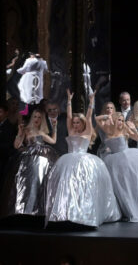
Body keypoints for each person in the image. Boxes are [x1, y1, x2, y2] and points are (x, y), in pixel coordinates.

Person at [44, 90, 121, 227]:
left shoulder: (87, 131)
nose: (75, 125)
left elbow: (89, 115)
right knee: (67, 186)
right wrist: (69, 100)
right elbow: (68, 116)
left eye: (77, 122)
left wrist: (91, 101)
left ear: (82, 123)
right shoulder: (71, 130)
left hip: (84, 162)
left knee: (83, 187)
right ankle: (65, 214)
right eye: (74, 123)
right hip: (68, 161)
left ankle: (84, 215)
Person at [0, 108, 58, 219]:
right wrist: (19, 132)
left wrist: (55, 127)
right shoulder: (26, 130)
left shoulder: (42, 132)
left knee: (38, 183)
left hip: (40, 161)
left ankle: (37, 210)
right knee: (26, 185)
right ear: (32, 118)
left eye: (39, 117)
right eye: (35, 116)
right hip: (28, 160)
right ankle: (23, 210)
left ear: (42, 120)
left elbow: (53, 141)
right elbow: (17, 145)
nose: (37, 119)